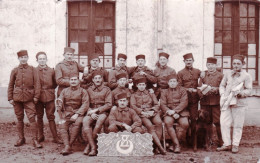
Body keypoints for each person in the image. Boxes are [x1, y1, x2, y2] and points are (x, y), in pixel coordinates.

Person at [217, 54, 252, 154]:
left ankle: (235, 144)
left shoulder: (246, 76)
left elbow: (249, 90)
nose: (236, 65)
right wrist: (223, 94)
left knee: (238, 125)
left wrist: (241, 93)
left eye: (238, 63)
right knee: (224, 123)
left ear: (243, 64)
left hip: (239, 103)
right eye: (234, 63)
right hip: (227, 102)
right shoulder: (228, 74)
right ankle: (227, 144)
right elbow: (222, 85)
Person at [7, 50, 42, 148]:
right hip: (17, 98)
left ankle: (35, 139)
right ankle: (21, 138)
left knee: (32, 118)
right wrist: (10, 98)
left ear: (27, 58)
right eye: (21, 57)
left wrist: (36, 97)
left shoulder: (32, 69)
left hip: (29, 98)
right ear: (18, 58)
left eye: (25, 57)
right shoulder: (15, 70)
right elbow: (11, 85)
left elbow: (37, 84)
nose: (23, 59)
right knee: (19, 119)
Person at [130, 77, 166, 155]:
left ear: (145, 85)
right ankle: (159, 147)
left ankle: (155, 146)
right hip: (141, 115)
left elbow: (156, 104)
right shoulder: (134, 95)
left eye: (143, 85)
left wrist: (152, 111)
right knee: (150, 126)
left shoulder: (150, 93)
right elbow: (133, 106)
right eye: (140, 85)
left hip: (152, 113)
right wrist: (142, 112)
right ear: (136, 85)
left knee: (158, 122)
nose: (142, 86)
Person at [56, 75, 89, 155]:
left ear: (78, 81)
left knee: (77, 124)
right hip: (67, 114)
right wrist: (59, 106)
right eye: (71, 80)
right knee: (62, 126)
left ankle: (69, 145)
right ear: (69, 81)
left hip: (79, 114)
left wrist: (77, 114)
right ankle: (67, 145)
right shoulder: (64, 91)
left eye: (75, 80)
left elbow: (85, 104)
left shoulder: (83, 91)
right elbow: (60, 101)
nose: (73, 81)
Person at [82, 71, 112, 156]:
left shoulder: (107, 89)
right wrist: (90, 112)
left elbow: (109, 104)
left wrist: (97, 110)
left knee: (100, 121)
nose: (97, 80)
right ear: (92, 80)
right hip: (91, 111)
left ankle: (89, 146)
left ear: (102, 79)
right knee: (85, 121)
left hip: (102, 111)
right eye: (96, 78)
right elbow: (85, 103)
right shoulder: (88, 90)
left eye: (99, 78)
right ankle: (93, 146)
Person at [35, 52, 62, 144]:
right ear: (37, 60)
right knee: (39, 116)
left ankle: (55, 137)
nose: (42, 60)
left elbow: (55, 83)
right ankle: (40, 136)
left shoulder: (51, 70)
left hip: (50, 97)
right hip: (38, 97)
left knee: (51, 116)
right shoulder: (34, 71)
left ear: (46, 59)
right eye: (40, 59)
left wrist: (48, 90)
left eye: (44, 58)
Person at [197, 57, 223, 147]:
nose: (210, 67)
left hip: (216, 102)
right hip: (205, 103)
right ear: (206, 65)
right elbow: (199, 88)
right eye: (209, 65)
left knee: (218, 122)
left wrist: (216, 89)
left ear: (216, 65)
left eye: (212, 65)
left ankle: (221, 141)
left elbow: (223, 88)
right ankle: (207, 142)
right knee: (206, 122)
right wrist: (202, 93)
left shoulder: (220, 75)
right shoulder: (203, 75)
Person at [160, 74, 189, 153]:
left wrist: (176, 111)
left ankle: (175, 143)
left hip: (181, 112)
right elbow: (162, 104)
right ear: (168, 83)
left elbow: (184, 102)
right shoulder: (164, 91)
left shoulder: (182, 90)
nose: (172, 83)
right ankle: (177, 145)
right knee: (168, 122)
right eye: (171, 81)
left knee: (185, 124)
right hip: (169, 112)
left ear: (177, 83)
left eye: (174, 81)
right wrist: (171, 112)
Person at [177, 53, 201, 146]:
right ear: (184, 62)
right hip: (183, 99)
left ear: (193, 61)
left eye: (190, 60)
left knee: (194, 119)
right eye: (186, 61)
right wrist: (188, 89)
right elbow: (179, 86)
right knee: (184, 119)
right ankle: (185, 139)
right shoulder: (180, 73)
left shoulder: (198, 71)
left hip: (194, 100)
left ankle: (194, 142)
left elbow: (204, 78)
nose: (188, 62)